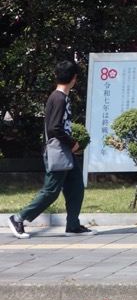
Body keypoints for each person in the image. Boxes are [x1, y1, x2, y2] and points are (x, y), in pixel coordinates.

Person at [8, 60, 91, 238]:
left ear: (56, 76)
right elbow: (55, 128)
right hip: (58, 152)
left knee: (76, 185)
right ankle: (18, 218)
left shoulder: (59, 96)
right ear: (75, 78)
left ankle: (73, 225)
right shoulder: (59, 98)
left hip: (64, 152)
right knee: (51, 191)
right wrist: (73, 143)